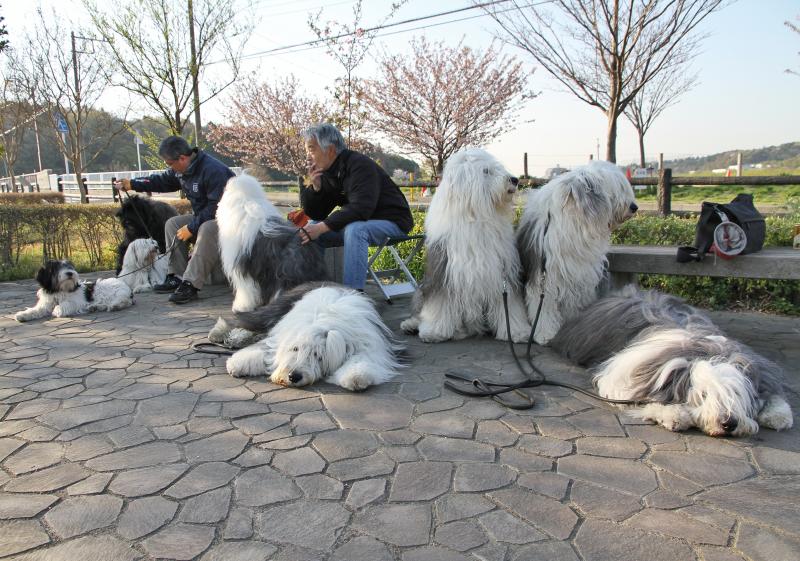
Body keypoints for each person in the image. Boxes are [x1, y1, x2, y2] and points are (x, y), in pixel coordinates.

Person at [116, 136, 234, 304]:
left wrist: (192, 228)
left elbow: (215, 207)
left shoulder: (213, 171)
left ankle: (191, 284)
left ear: (182, 158)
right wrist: (132, 184)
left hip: (228, 221)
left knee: (206, 228)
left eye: (170, 164)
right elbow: (161, 181)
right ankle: (176, 276)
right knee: (173, 223)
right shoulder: (182, 171)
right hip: (206, 218)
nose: (170, 167)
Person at [298, 123, 414, 291]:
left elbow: (361, 208)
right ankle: (313, 289)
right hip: (361, 223)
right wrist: (316, 188)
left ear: (330, 150)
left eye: (311, 149)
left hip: (394, 222)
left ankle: (352, 295)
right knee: (310, 229)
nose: (308, 156)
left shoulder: (359, 165)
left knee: (355, 229)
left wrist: (322, 227)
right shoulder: (327, 173)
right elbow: (317, 214)